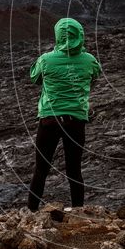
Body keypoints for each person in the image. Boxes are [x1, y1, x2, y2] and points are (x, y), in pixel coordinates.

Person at [27, 17, 101, 212]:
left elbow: (34, 78)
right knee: (74, 170)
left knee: (41, 170)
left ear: (58, 36)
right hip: (76, 121)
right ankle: (78, 212)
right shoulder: (89, 60)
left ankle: (31, 212)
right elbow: (95, 77)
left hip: (49, 120)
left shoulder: (46, 60)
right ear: (80, 35)